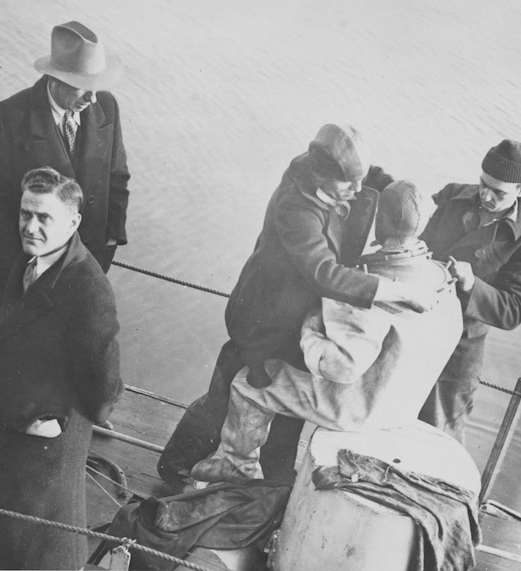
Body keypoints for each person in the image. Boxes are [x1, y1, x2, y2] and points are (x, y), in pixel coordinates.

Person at [157, 125, 441, 490]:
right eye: (349, 186)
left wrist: (411, 210)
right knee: (226, 393)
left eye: (361, 180)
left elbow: (393, 195)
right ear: (322, 173)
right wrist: (396, 291)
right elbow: (322, 273)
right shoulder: (296, 206)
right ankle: (177, 466)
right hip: (264, 317)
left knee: (288, 406)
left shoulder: (346, 173)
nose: (358, 190)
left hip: (305, 318)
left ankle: (275, 485)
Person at [190, 180, 462, 483]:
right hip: (404, 402)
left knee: (249, 386)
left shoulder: (372, 283)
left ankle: (237, 467)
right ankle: (273, 476)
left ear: (381, 223)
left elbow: (340, 367)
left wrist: (311, 328)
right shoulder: (442, 275)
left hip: (360, 408)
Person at [0, 167, 123, 569]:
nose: (30, 226)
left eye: (44, 217)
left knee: (41, 545)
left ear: (73, 222)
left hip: (45, 431)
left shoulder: (88, 288)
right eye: (25, 214)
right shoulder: (30, 261)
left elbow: (103, 384)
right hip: (7, 413)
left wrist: (59, 418)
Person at [0, 20, 130, 344]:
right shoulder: (7, 119)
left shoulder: (107, 108)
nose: (93, 98)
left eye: (97, 85)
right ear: (56, 78)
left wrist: (109, 243)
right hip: (24, 274)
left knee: (73, 362)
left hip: (87, 267)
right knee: (15, 361)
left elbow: (117, 179)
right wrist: (22, 266)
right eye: (83, 86)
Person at [418, 139, 521, 443]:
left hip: (459, 346)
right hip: (416, 321)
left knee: (439, 431)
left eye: (498, 192)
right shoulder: (450, 197)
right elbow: (413, 225)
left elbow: (513, 310)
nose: (486, 195)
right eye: (483, 184)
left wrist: (473, 284)